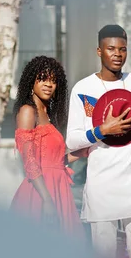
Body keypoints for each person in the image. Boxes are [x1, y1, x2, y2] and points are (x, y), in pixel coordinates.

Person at [66, 24, 131, 258]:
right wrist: (102, 131)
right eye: (111, 49)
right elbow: (73, 140)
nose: (118, 54)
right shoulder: (83, 89)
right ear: (99, 51)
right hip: (102, 187)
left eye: (123, 49)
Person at [10, 56, 84, 237]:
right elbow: (29, 160)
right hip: (40, 193)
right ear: (31, 81)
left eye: (53, 80)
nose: (49, 84)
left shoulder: (48, 114)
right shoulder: (28, 111)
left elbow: (58, 161)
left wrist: (88, 149)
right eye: (43, 78)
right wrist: (47, 200)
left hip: (59, 189)